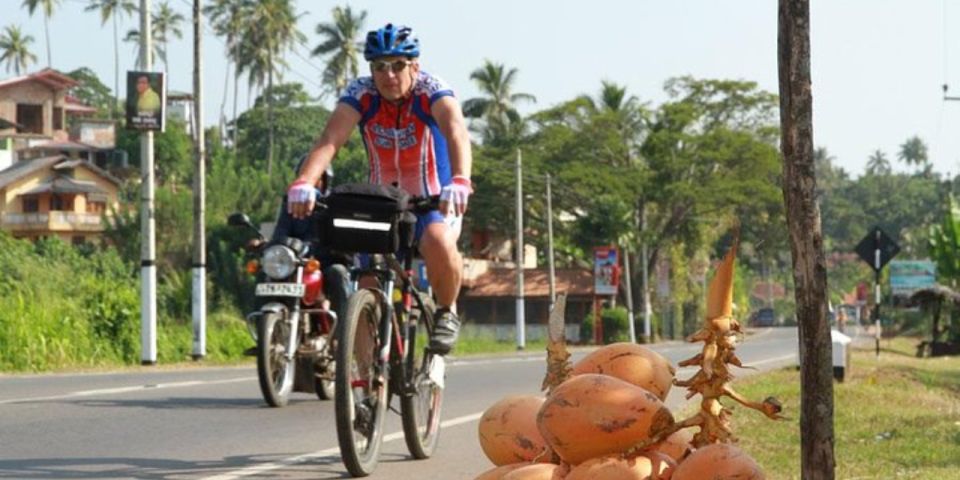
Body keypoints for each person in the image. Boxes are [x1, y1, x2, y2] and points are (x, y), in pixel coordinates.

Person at [287, 23, 472, 355]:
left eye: (398, 65)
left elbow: (456, 131)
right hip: (383, 202)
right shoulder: (362, 94)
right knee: (366, 283)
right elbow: (330, 141)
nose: (389, 75)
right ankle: (362, 382)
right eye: (379, 66)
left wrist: (460, 180)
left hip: (430, 200)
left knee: (439, 240)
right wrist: (304, 182)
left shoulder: (432, 91)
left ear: (414, 65)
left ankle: (447, 311)